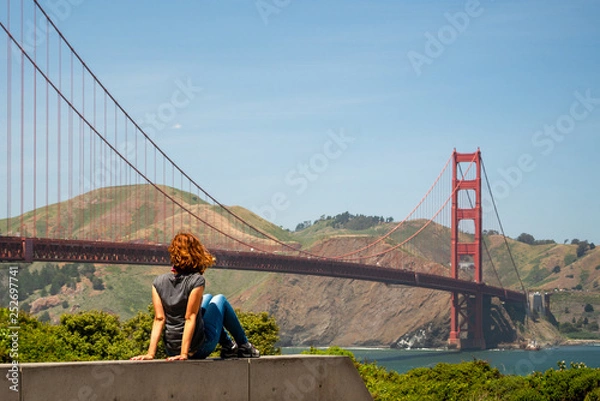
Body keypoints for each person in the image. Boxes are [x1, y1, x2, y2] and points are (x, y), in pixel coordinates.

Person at [131, 232, 259, 361]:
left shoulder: (158, 282)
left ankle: (229, 346)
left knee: (207, 297)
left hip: (171, 349)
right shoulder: (196, 281)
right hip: (197, 349)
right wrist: (184, 354)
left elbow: (159, 319)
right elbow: (189, 317)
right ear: (195, 253)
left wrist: (150, 354)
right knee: (220, 299)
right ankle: (244, 346)